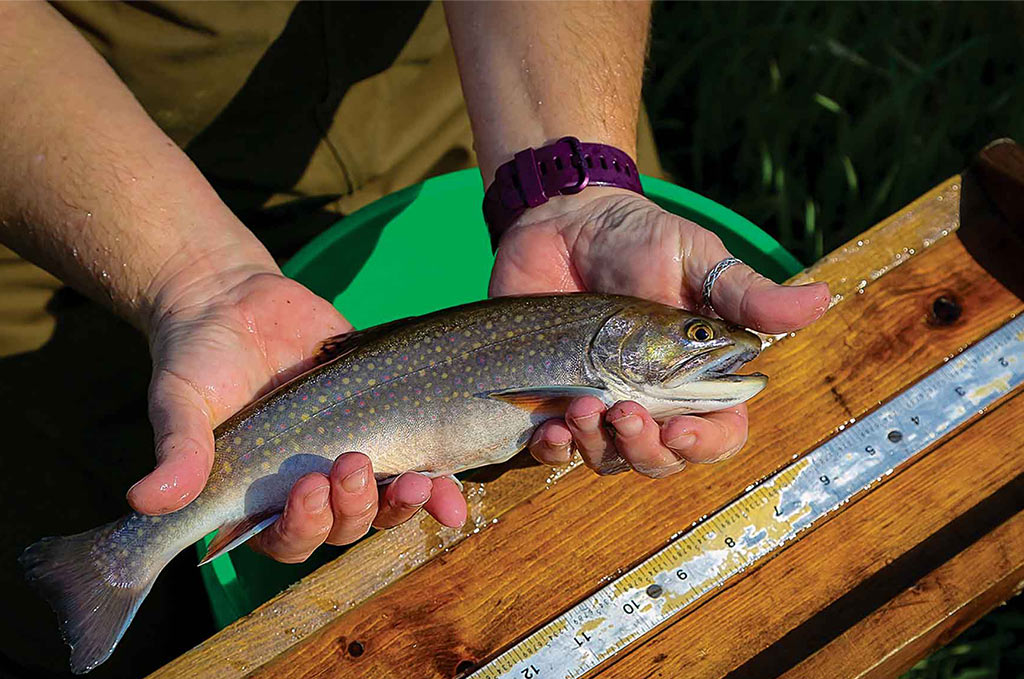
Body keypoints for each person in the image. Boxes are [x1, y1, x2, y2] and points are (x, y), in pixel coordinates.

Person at [0, 2, 829, 568]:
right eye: (694, 336)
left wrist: (564, 180)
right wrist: (191, 280)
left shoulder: (585, 330)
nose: (712, 343)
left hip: (485, 83)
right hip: (62, 162)